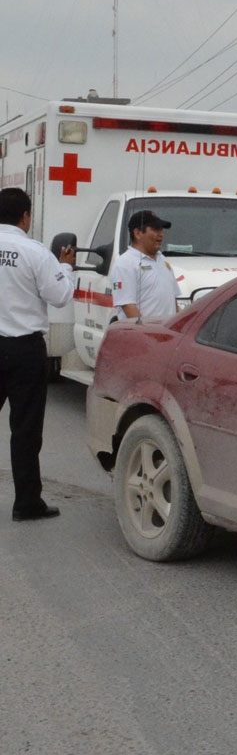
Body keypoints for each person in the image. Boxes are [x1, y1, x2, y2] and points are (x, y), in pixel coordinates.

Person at [0, 187, 75, 521]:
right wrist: (66, 268)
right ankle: (26, 503)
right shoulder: (35, 252)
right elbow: (60, 297)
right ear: (26, 216)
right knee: (26, 429)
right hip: (24, 350)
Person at [111, 209, 180, 323]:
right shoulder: (125, 264)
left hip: (167, 332)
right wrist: (146, 330)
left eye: (161, 230)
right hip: (142, 332)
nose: (161, 234)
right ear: (138, 233)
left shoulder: (162, 260)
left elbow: (173, 300)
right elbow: (128, 306)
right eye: (155, 229)